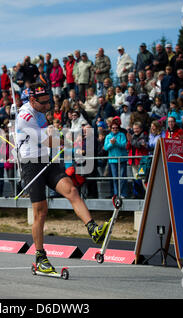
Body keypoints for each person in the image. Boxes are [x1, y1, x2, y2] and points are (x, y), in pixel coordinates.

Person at [15, 82, 111, 273]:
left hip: (46, 159)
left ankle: (93, 229)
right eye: (43, 102)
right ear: (32, 100)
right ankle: (40, 257)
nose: (47, 105)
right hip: (30, 164)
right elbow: (47, 140)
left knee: (71, 189)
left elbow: (48, 135)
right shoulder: (25, 116)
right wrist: (67, 140)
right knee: (41, 211)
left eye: (49, 101)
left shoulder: (40, 112)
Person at [104, 121, 128, 198]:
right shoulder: (108, 136)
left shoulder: (122, 135)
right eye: (113, 128)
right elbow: (106, 147)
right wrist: (111, 144)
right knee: (115, 178)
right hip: (112, 160)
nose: (115, 129)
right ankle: (116, 194)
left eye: (116, 128)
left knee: (122, 177)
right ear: (110, 129)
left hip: (122, 159)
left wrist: (115, 143)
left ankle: (123, 193)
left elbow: (124, 145)